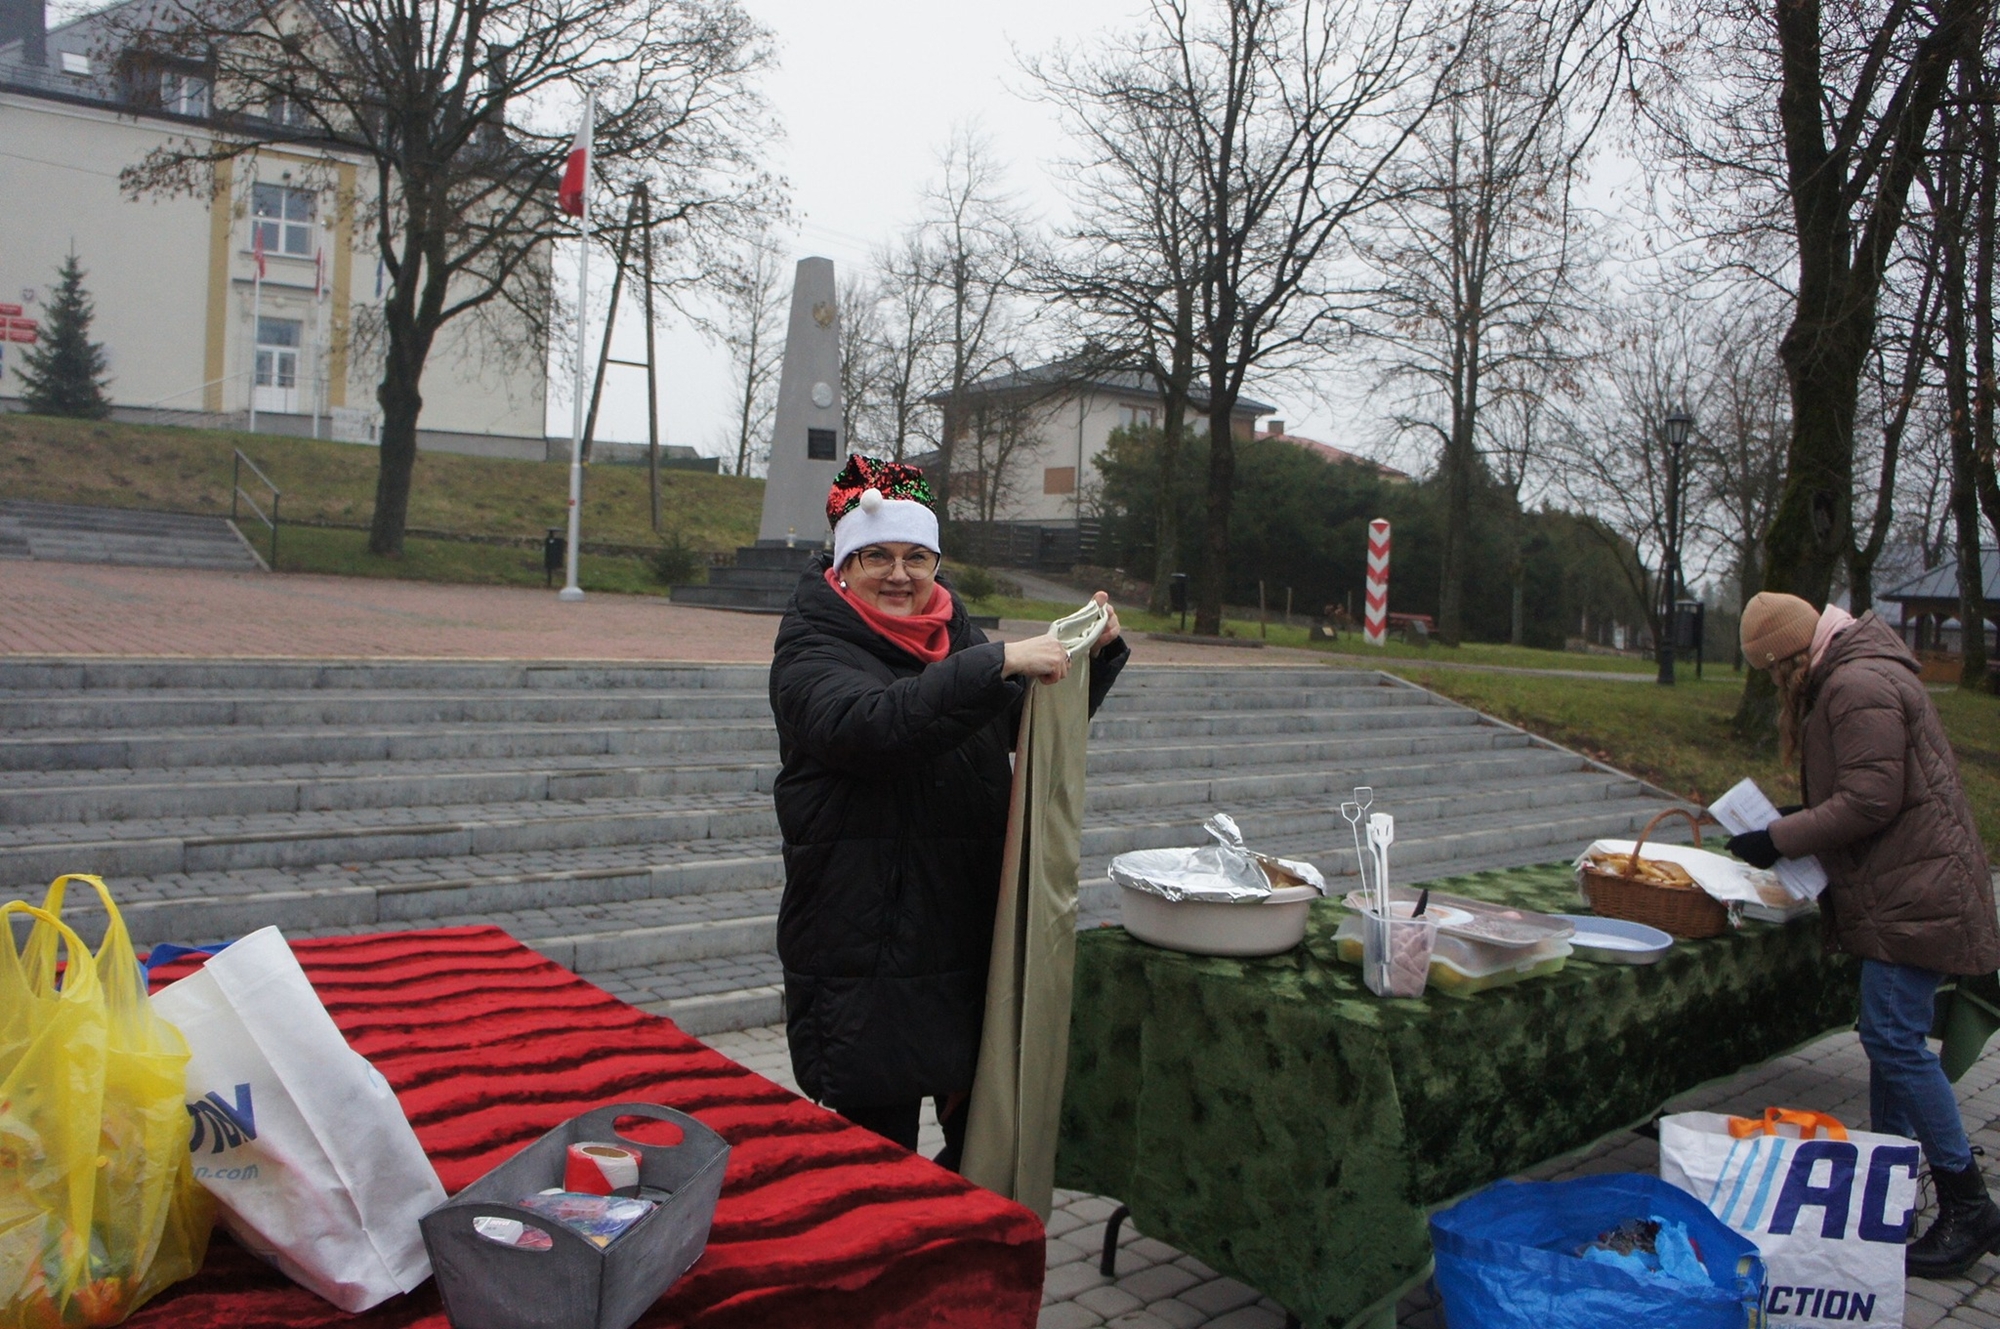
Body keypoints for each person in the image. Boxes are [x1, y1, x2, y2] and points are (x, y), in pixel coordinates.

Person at [767, 455, 1129, 1170]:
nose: (899, 574)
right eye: (877, 555)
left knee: (980, 1158)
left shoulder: (953, 635)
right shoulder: (811, 649)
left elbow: (1018, 725)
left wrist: (1093, 657)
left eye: (917, 557)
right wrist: (997, 661)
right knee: (879, 1170)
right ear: (843, 564)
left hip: (964, 940)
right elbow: (876, 726)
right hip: (868, 954)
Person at [1728, 592, 2000, 1278]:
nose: (1775, 684)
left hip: (1916, 893)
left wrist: (1779, 836)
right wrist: (1794, 816)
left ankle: (1968, 1204)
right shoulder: (1858, 669)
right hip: (1910, 885)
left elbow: (1872, 800)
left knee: (1894, 1041)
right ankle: (1890, 1191)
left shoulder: (1854, 683)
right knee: (1890, 1040)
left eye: (1771, 671)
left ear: (1789, 656)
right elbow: (1869, 783)